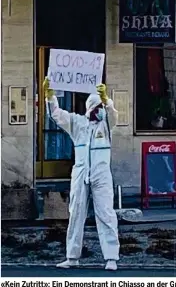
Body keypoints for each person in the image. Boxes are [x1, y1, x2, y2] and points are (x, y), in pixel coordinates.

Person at [43, 77, 120, 270]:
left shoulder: (106, 126)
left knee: (106, 214)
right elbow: (57, 115)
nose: (100, 111)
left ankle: (111, 258)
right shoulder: (78, 124)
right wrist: (50, 96)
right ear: (90, 109)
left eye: (101, 108)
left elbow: (114, 116)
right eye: (97, 108)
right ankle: (72, 257)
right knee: (76, 213)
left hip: (101, 174)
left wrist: (107, 100)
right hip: (80, 172)